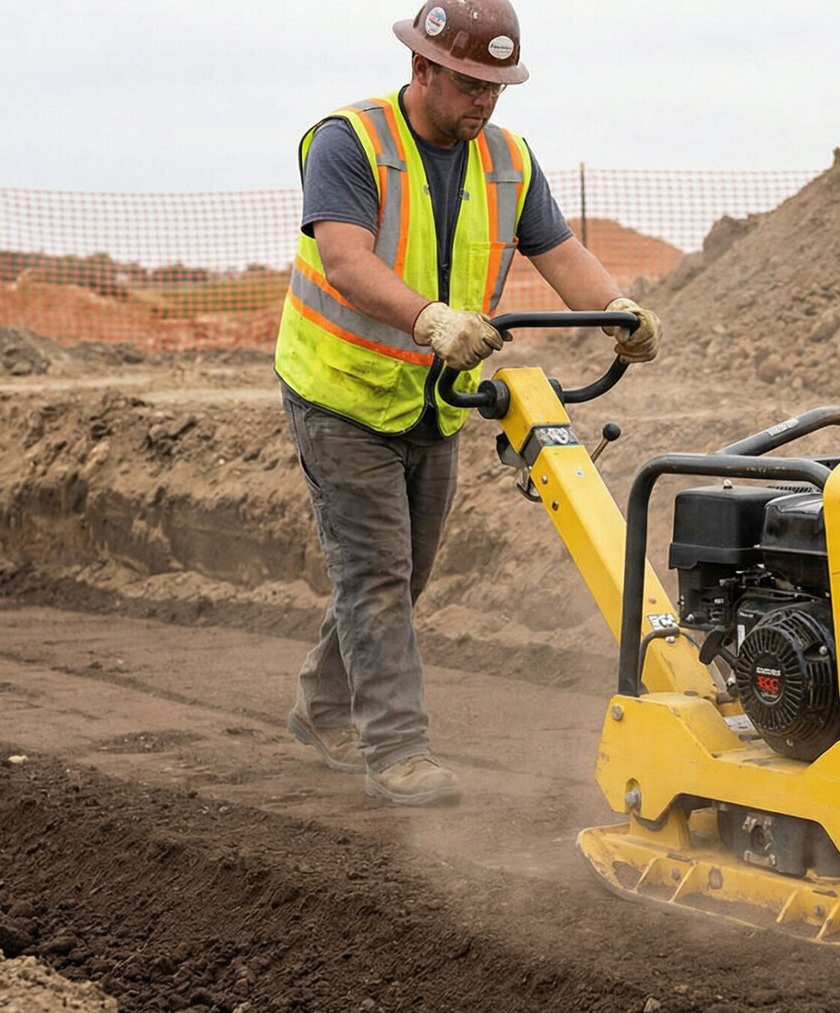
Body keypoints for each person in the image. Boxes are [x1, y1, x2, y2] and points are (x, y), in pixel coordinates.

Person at [274, 0, 661, 807]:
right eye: (470, 84)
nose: (485, 100)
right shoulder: (351, 142)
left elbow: (558, 248)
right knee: (378, 575)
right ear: (422, 68)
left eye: (496, 86)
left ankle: (322, 707)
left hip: (435, 400)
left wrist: (618, 313)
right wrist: (430, 320)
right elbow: (344, 261)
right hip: (341, 393)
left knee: (401, 573)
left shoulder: (508, 160)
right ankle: (397, 750)